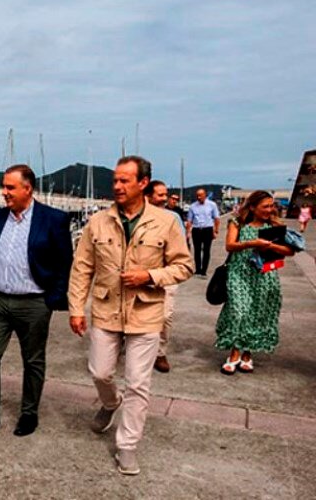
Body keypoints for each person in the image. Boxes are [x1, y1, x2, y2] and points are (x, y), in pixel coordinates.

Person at [68, 156, 193, 476]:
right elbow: (82, 268)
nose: (118, 186)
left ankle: (127, 445)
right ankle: (110, 403)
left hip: (145, 311)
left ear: (143, 184)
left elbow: (184, 266)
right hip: (106, 309)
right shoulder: (98, 222)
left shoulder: (166, 222)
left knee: (138, 382)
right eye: (115, 181)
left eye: (125, 181)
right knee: (99, 371)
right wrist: (76, 309)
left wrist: (149, 276)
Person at [0, 164, 73, 438]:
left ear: (28, 188)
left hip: (34, 304)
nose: (4, 193)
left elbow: (64, 264)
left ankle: (29, 413)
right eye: (4, 187)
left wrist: (52, 299)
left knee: (33, 361)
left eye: (10, 187)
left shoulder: (54, 219)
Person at [215, 191, 295, 374]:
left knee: (257, 313)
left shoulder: (274, 225)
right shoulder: (237, 222)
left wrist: (270, 246)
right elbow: (230, 245)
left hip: (264, 274)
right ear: (252, 207)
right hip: (239, 272)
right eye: (265, 206)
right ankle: (234, 352)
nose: (270, 209)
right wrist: (252, 243)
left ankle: (247, 354)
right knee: (239, 311)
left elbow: (289, 251)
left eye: (271, 206)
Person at [143, 180, 185, 373]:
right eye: (160, 194)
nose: (164, 198)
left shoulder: (173, 217)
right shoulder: (135, 215)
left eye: (165, 194)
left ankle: (160, 353)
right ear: (148, 195)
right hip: (138, 274)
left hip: (166, 274)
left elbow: (180, 247)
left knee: (165, 315)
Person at [186, 188, 220, 277]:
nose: (199, 197)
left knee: (206, 250)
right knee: (197, 250)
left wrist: (216, 230)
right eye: (197, 195)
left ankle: (204, 270)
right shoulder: (193, 206)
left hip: (207, 229)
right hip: (197, 229)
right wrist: (188, 232)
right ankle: (198, 269)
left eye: (200, 195)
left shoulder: (212, 205)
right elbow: (189, 220)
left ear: (205, 195)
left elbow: (216, 218)